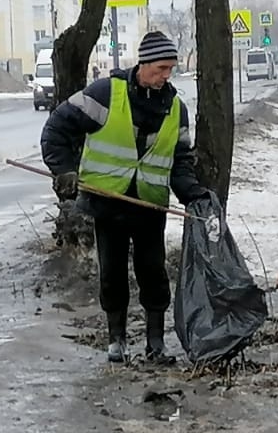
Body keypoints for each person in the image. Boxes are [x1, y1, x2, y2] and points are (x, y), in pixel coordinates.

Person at [41, 30, 206, 364]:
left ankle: (155, 344)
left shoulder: (176, 110)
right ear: (142, 64)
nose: (165, 76)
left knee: (153, 273)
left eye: (170, 69)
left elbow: (180, 162)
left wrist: (193, 194)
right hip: (108, 203)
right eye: (160, 68)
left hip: (149, 205)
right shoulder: (105, 95)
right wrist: (65, 171)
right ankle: (116, 340)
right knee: (112, 274)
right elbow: (56, 129)